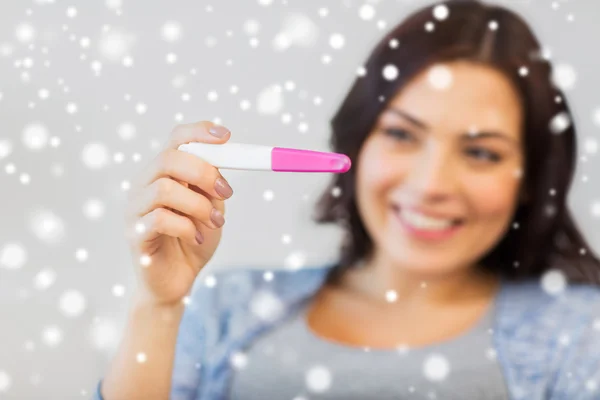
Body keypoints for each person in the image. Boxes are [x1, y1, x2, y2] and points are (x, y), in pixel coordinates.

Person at [94, 0, 600, 399]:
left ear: (531, 176)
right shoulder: (228, 308)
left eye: (481, 152)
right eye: (403, 135)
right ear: (358, 141)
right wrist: (157, 306)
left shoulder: (581, 335)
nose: (431, 184)